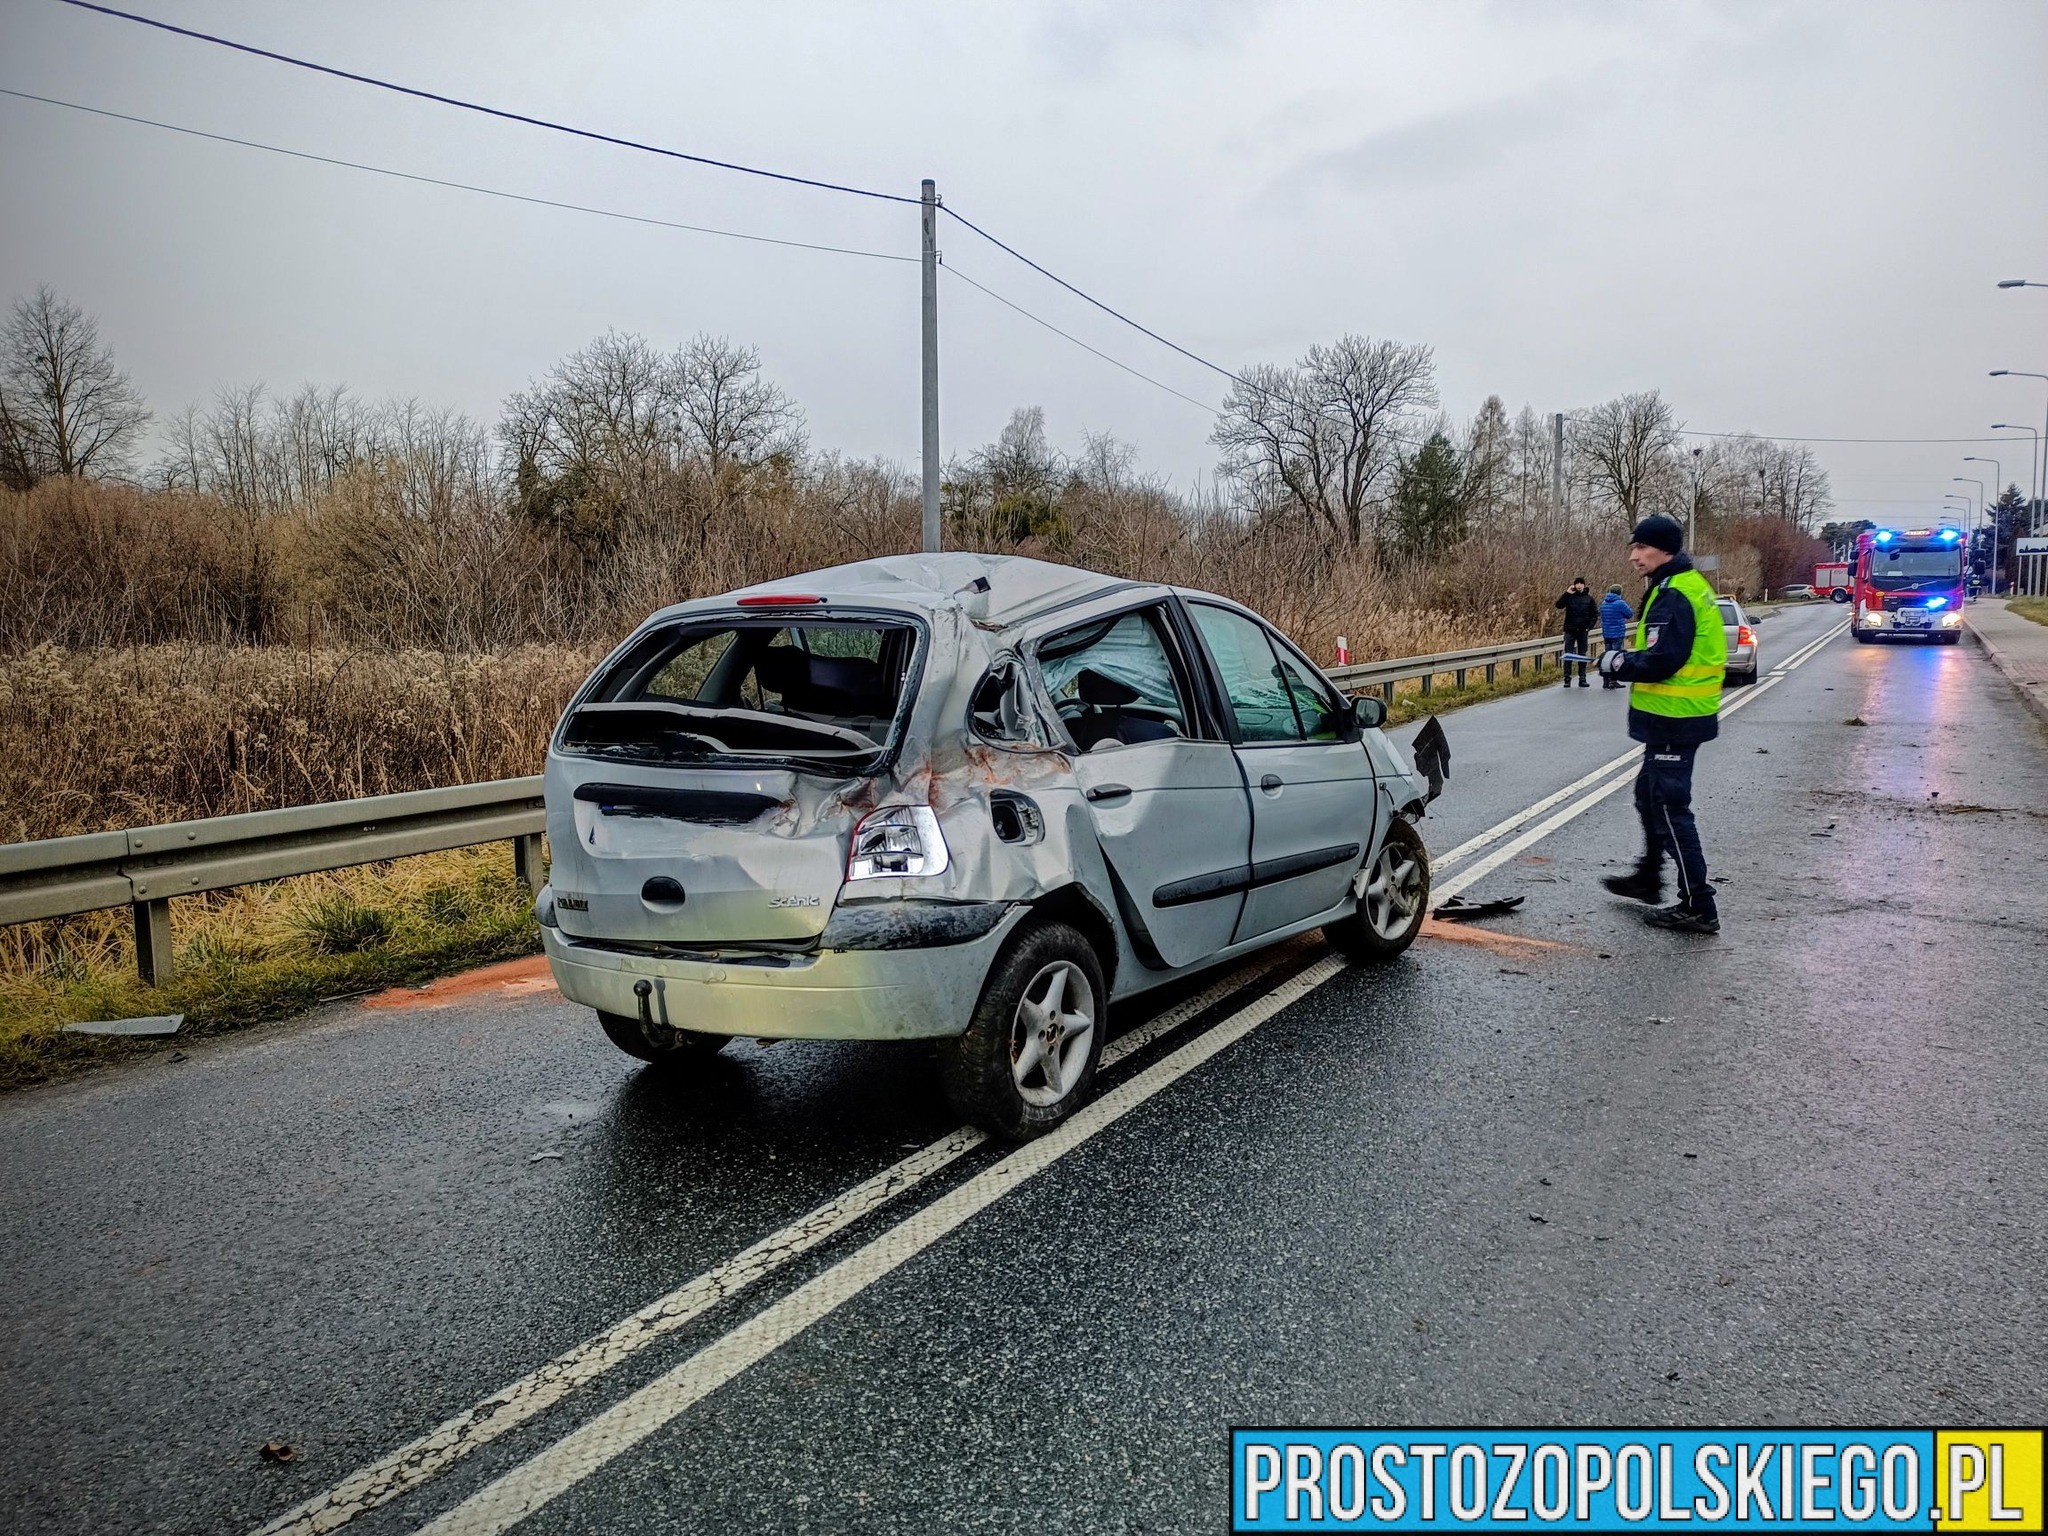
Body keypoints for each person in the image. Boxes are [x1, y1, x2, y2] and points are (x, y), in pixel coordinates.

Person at [1596, 515, 1728, 933]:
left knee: (1671, 808)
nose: (1633, 555)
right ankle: (1649, 877)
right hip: (1677, 718)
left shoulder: (1674, 594)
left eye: (1641, 547)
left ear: (1664, 549)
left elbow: (1663, 661)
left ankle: (1698, 905)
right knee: (1646, 796)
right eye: (1633, 548)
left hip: (1677, 720)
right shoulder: (1681, 586)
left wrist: (1618, 661)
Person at [1553, 577, 1597, 688]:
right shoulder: (1569, 597)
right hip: (1570, 630)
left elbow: (1594, 615)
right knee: (1568, 654)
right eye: (1577, 583)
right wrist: (1566, 593)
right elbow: (1558, 605)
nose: (1579, 585)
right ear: (1574, 585)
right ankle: (1567, 679)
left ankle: (1582, 679)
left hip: (1583, 631)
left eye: (1581, 583)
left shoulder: (1589, 599)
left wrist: (1589, 627)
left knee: (1582, 655)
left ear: (1584, 585)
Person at [1598, 584, 1633, 689]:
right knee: (1615, 657)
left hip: (1606, 633)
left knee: (1607, 656)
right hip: (1617, 633)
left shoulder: (1604, 603)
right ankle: (1613, 680)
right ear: (1620, 592)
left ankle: (1606, 679)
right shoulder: (1620, 603)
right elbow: (1630, 614)